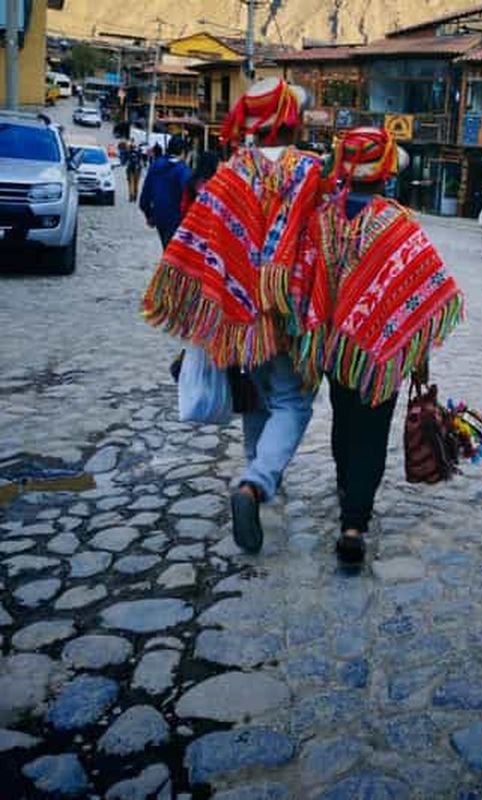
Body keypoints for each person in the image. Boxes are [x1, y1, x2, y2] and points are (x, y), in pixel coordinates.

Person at [142, 78, 323, 554]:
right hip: (291, 312)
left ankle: (256, 470)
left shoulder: (229, 176)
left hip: (241, 314)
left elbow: (194, 244)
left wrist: (208, 310)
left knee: (258, 395)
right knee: (292, 401)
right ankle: (255, 481)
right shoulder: (310, 171)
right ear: (292, 120)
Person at [290, 128, 464, 563]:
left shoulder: (322, 219)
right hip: (381, 353)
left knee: (344, 421)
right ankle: (354, 522)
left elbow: (306, 280)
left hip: (334, 346)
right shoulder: (400, 223)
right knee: (371, 432)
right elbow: (423, 295)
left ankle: (348, 487)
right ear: (385, 170)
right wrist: (418, 355)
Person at [139, 137, 192, 249]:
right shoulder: (183, 170)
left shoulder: (155, 166)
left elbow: (144, 197)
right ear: (183, 152)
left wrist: (149, 215)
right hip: (178, 219)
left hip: (159, 218)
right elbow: (189, 194)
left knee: (167, 249)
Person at [180, 151, 219, 217]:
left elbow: (183, 207)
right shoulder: (213, 185)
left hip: (189, 220)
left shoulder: (192, 180)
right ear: (213, 166)